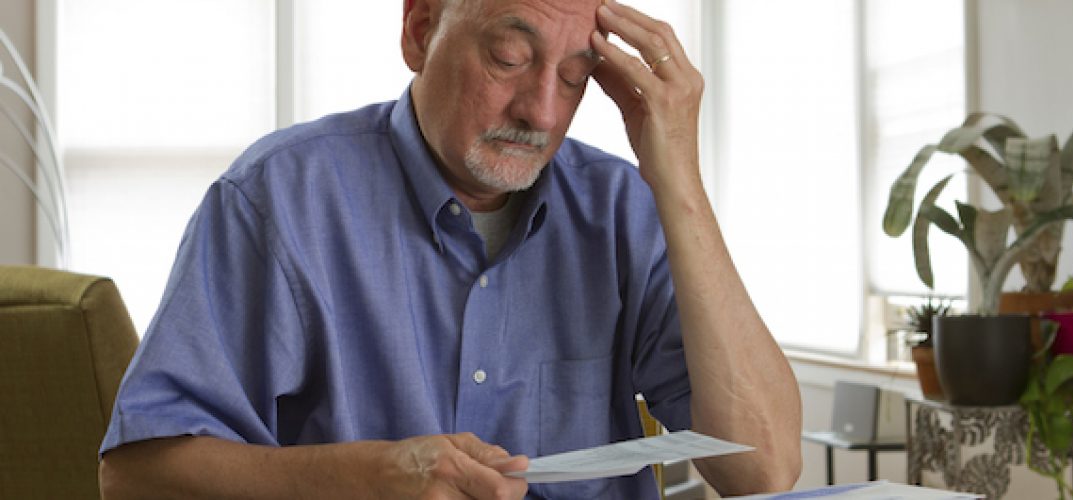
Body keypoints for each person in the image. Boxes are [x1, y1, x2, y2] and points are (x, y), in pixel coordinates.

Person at [97, 0, 802, 498]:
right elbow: (137, 475)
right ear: (419, 29)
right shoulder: (279, 199)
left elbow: (763, 469)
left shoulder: (623, 210)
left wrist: (677, 178)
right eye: (509, 57)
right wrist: (370, 479)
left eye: (574, 78)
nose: (542, 112)